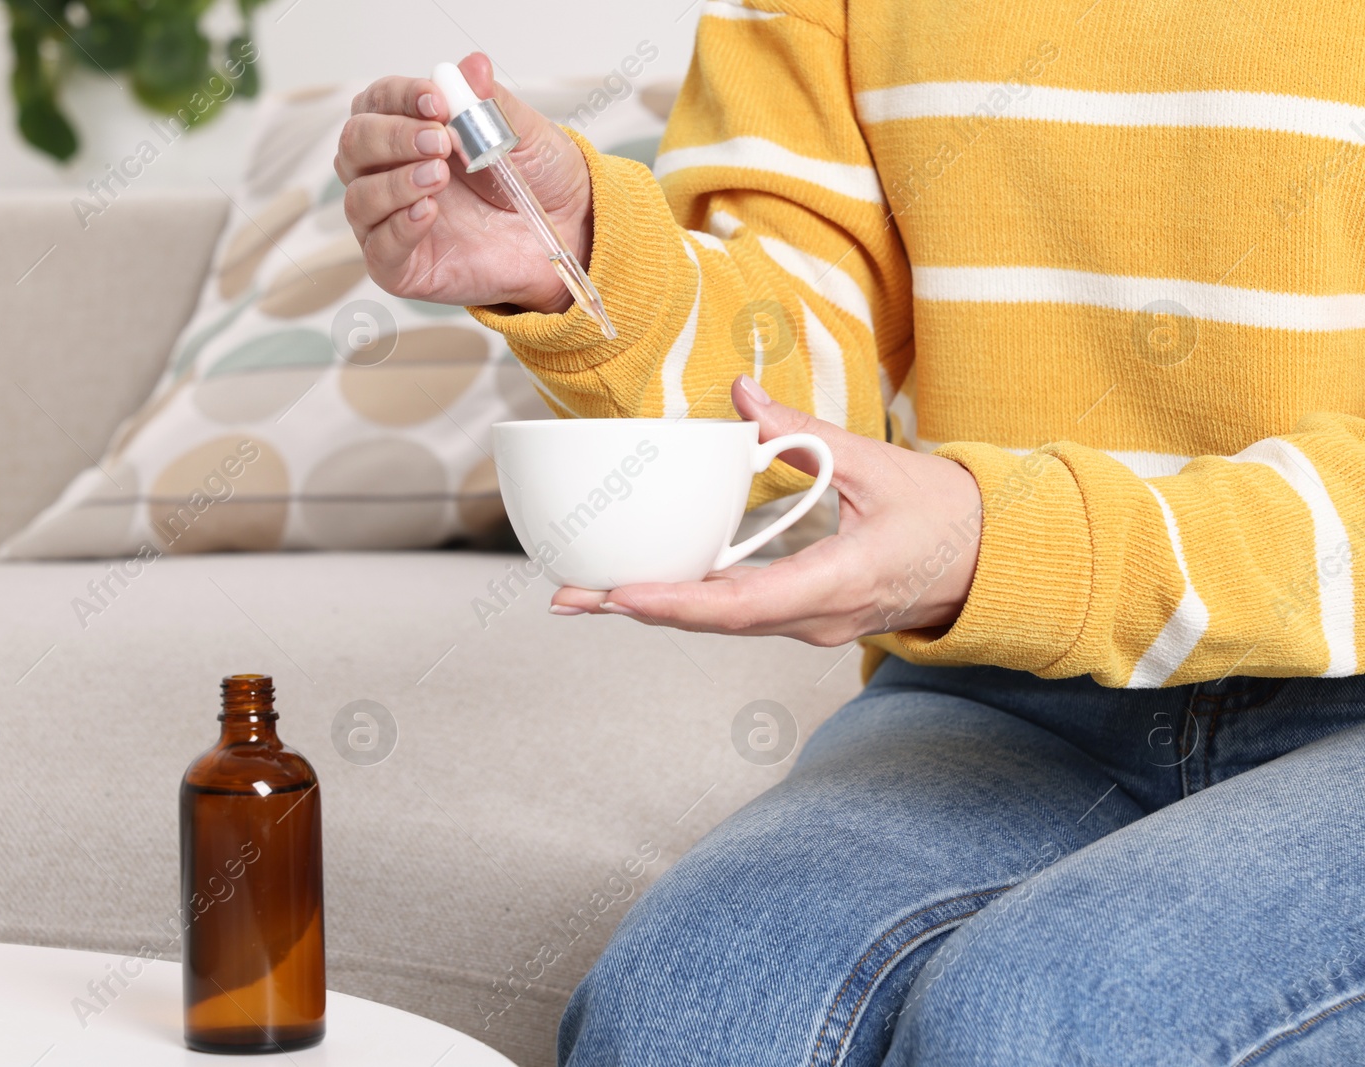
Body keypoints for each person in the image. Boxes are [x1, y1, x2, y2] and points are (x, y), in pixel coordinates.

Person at [335, 3, 1365, 1062]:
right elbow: (800, 360)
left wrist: (1008, 545)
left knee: (1043, 1017)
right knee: (687, 1013)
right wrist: (584, 263)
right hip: (1009, 679)